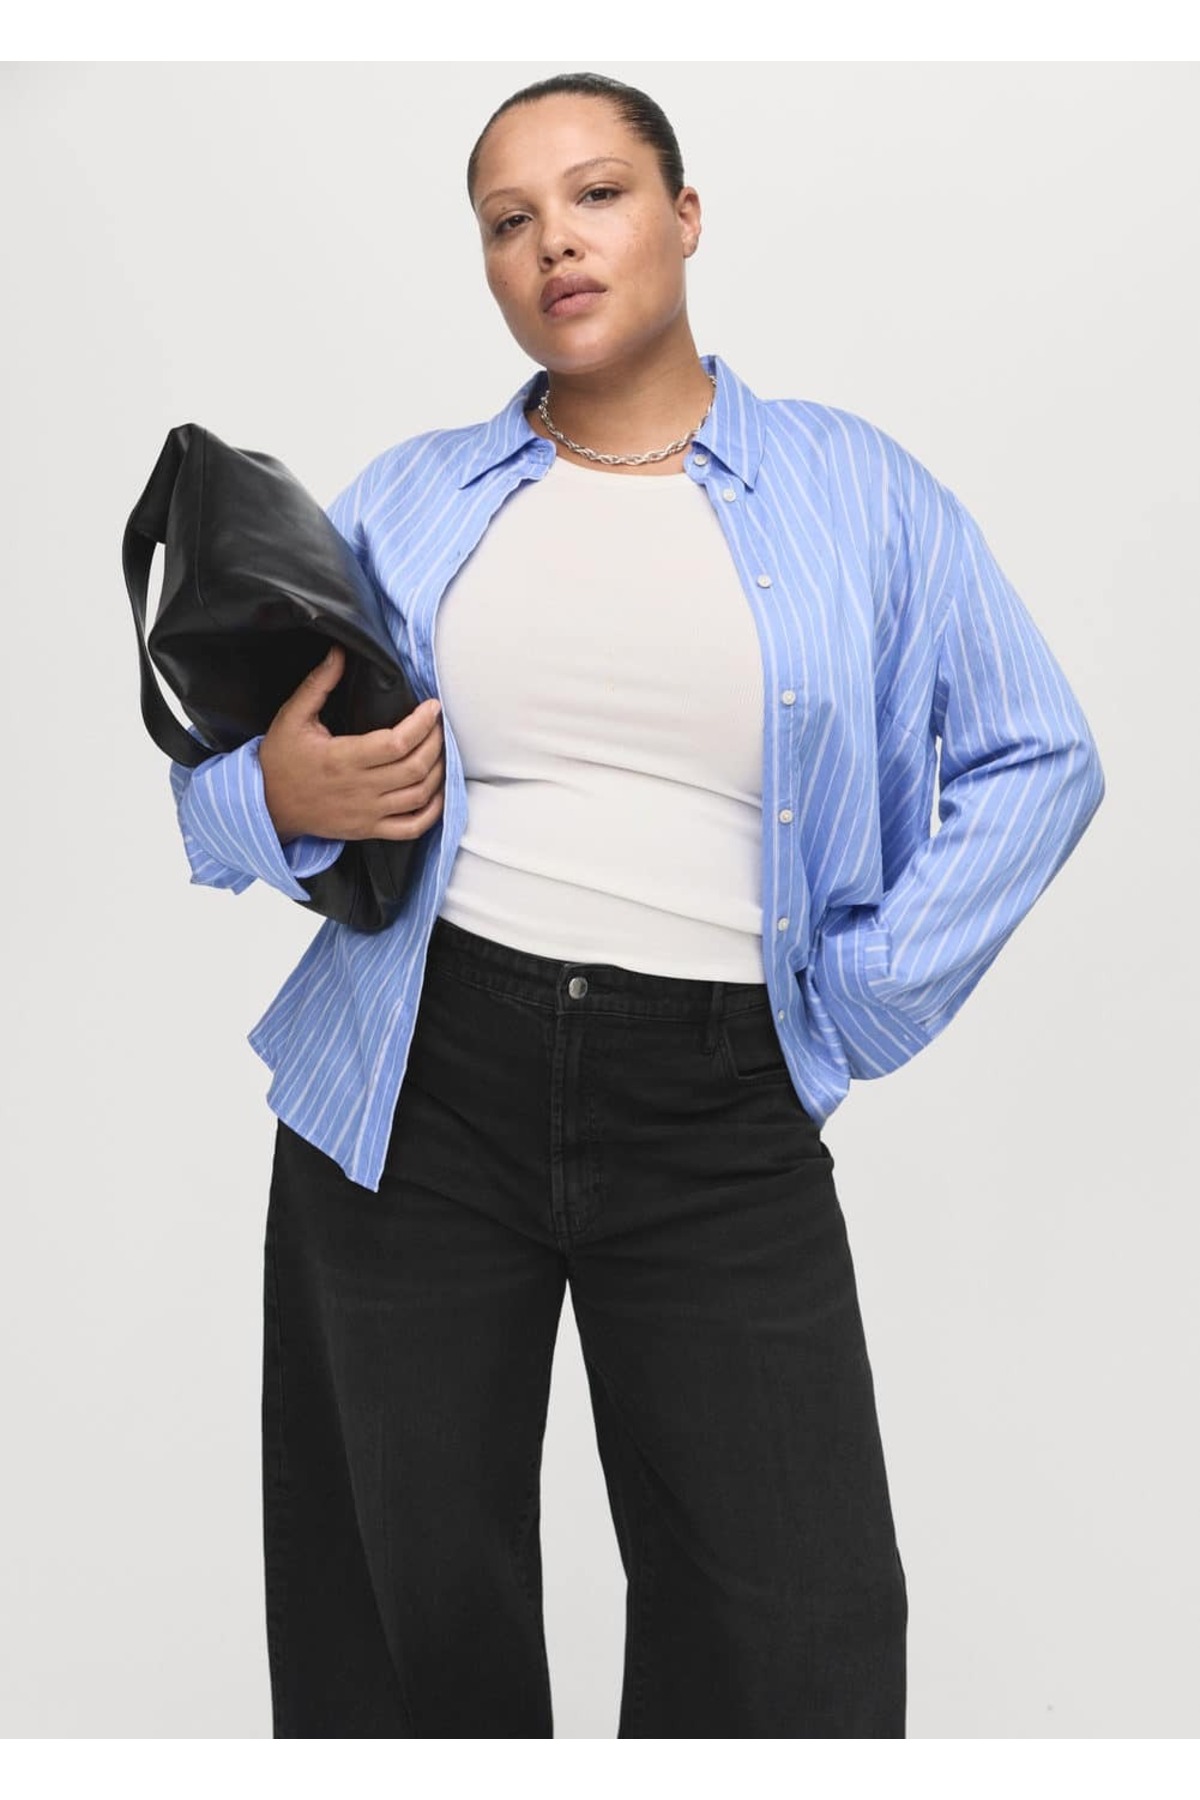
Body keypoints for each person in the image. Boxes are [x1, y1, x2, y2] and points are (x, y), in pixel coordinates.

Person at [168, 72, 1105, 1739]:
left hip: (720, 1097)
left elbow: (1042, 754)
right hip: (413, 1085)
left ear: (684, 216)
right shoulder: (411, 497)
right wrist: (277, 799)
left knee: (797, 1631)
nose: (555, 244)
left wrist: (859, 999)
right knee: (404, 1625)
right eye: (508, 221)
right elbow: (220, 785)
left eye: (596, 196)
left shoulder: (857, 488)